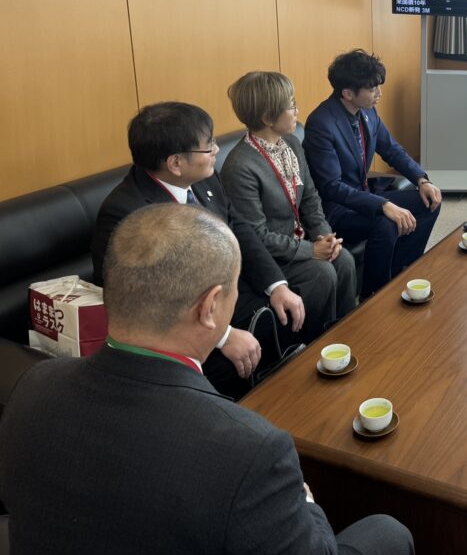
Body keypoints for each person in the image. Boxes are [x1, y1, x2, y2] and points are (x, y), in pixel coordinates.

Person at [1, 204, 414, 555]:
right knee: (388, 532)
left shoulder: (32, 387)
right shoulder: (250, 450)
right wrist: (306, 504)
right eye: (234, 289)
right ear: (210, 306)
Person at [91, 102, 333, 398]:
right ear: (175, 163)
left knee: (307, 287)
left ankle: (299, 381)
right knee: (238, 357)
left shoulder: (204, 178)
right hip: (181, 319)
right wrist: (222, 336)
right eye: (208, 146)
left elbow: (239, 228)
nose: (217, 151)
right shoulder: (127, 213)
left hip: (225, 290)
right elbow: (147, 301)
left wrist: (276, 285)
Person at [221, 71, 358, 323]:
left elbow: (310, 198)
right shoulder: (240, 166)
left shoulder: (292, 144)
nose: (297, 111)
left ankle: (348, 329)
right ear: (267, 117)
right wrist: (311, 250)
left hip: (303, 241)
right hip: (273, 258)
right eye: (291, 105)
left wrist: (324, 236)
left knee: (345, 260)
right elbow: (256, 236)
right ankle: (319, 338)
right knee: (323, 272)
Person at [304, 49, 442, 297]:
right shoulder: (321, 124)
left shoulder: (368, 111)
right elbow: (332, 187)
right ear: (348, 93)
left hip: (363, 196)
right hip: (338, 209)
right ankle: (374, 296)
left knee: (429, 202)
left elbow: (391, 149)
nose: (379, 93)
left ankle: (402, 273)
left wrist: (421, 180)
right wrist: (382, 205)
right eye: (372, 88)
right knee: (386, 222)